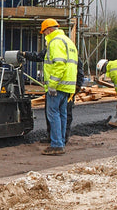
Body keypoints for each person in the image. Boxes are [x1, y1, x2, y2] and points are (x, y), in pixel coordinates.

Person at [19, 18, 78, 155]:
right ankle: (60, 141)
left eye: (44, 32)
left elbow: (59, 64)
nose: (44, 35)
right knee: (62, 114)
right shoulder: (68, 42)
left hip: (57, 86)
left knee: (53, 114)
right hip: (68, 86)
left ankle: (57, 145)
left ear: (49, 30)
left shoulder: (55, 42)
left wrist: (52, 84)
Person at [19, 48, 83, 145]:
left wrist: (76, 87)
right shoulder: (51, 50)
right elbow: (38, 56)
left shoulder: (69, 54)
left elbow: (79, 73)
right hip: (55, 89)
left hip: (65, 89)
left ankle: (62, 139)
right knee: (52, 114)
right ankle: (52, 137)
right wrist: (24, 53)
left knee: (63, 114)